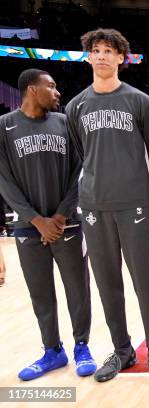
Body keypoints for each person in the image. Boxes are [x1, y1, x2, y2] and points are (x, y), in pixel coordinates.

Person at [65, 28, 149, 384]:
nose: (103, 56)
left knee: (145, 282)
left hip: (135, 203)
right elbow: (82, 154)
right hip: (94, 205)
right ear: (89, 57)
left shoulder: (140, 102)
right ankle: (122, 350)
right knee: (108, 283)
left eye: (110, 51)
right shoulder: (75, 106)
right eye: (97, 50)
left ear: (122, 58)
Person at [0, 69, 95, 380]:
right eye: (51, 86)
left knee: (77, 289)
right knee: (41, 293)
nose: (57, 92)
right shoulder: (4, 126)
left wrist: (61, 215)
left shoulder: (66, 122)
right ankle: (52, 350)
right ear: (32, 89)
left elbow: (80, 171)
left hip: (66, 223)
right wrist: (36, 219)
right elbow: (4, 181)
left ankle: (82, 346)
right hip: (29, 227)